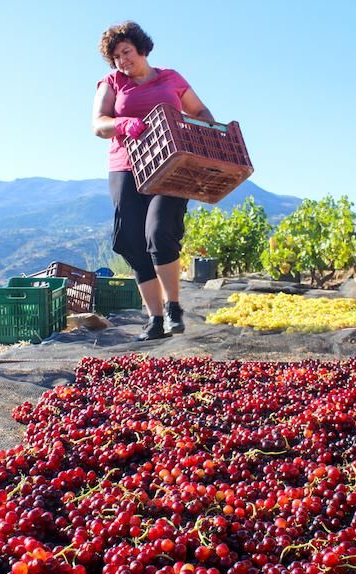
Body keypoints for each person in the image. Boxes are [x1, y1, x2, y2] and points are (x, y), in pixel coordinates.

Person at [92, 21, 214, 341]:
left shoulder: (171, 78)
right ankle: (154, 319)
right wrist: (123, 124)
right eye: (116, 56)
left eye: (127, 52)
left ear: (142, 49)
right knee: (131, 239)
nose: (122, 60)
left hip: (169, 166)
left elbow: (199, 111)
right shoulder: (112, 82)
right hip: (126, 166)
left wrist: (205, 135)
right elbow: (99, 123)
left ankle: (173, 307)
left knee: (159, 232)